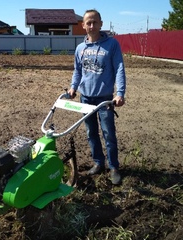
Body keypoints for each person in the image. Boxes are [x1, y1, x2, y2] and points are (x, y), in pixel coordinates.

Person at [68, 9, 126, 185]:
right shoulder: (80, 48)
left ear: (101, 24)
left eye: (95, 22)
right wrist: (73, 88)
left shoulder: (112, 44)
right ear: (84, 25)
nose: (92, 26)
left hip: (105, 99)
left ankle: (114, 167)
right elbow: (77, 71)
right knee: (91, 132)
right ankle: (98, 163)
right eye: (88, 23)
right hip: (85, 98)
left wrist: (120, 93)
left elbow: (119, 69)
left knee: (109, 133)